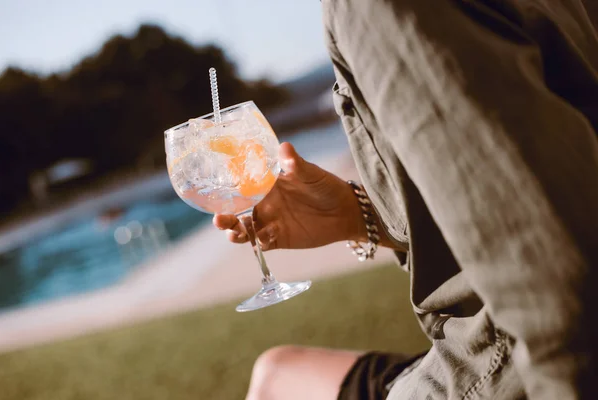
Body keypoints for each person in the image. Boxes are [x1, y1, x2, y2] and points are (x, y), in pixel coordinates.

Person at [213, 0, 598, 398]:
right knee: (278, 371)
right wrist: (353, 213)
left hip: (511, 363)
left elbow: (556, 285)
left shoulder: (375, 8)